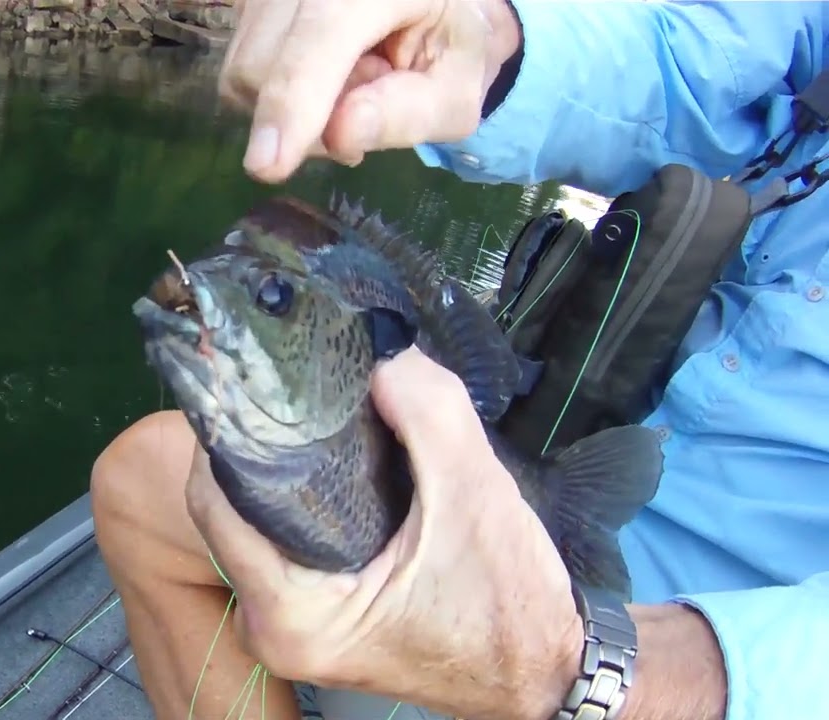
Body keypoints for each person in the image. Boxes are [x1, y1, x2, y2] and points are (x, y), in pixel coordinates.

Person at [91, 1, 829, 718]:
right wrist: (487, 41)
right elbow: (703, 55)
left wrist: (588, 673)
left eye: (277, 299)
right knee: (143, 478)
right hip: (561, 497)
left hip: (694, 671)